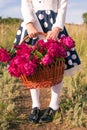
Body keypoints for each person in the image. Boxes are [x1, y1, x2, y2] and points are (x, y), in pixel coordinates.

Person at [14, 0, 81, 124]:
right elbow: (26, 3)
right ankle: (36, 105)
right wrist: (29, 23)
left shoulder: (56, 27)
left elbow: (62, 5)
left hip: (53, 25)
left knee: (56, 65)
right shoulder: (30, 24)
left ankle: (54, 105)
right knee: (30, 65)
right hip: (32, 25)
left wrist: (57, 28)